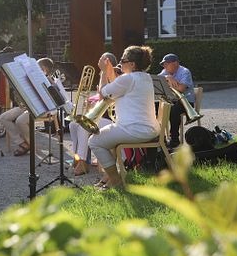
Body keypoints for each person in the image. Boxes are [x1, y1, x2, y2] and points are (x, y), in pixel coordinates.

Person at [89, 46, 160, 189]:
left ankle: (116, 180)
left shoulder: (128, 79)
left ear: (132, 64)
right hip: (149, 129)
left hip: (135, 130)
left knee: (94, 141)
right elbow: (119, 88)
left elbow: (103, 93)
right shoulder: (145, 77)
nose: (120, 64)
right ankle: (110, 177)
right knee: (108, 140)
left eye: (123, 60)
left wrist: (103, 72)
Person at [68, 52, 117, 175]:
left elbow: (103, 96)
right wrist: (89, 105)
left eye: (102, 61)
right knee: (73, 125)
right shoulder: (104, 75)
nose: (99, 63)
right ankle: (77, 157)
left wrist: (104, 72)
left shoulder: (115, 76)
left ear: (107, 63)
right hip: (100, 117)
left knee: (84, 126)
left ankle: (83, 162)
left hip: (111, 119)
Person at [0, 57, 55, 156]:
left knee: (20, 121)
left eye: (37, 67)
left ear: (44, 69)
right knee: (3, 117)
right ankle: (22, 143)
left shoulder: (48, 81)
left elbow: (49, 101)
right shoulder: (32, 79)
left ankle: (31, 145)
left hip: (42, 108)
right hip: (27, 106)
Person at [158, 53, 195, 148]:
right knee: (156, 107)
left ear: (175, 63)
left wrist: (169, 82)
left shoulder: (185, 72)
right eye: (163, 64)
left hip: (186, 102)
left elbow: (181, 89)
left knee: (174, 109)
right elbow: (158, 80)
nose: (164, 66)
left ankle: (174, 139)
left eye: (166, 64)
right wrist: (167, 78)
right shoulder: (165, 72)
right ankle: (159, 137)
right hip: (173, 100)